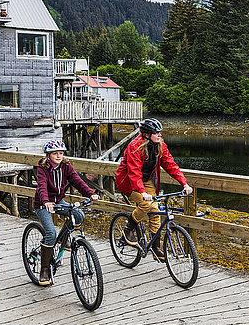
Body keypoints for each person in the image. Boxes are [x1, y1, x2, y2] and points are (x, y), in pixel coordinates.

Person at [115, 118, 192, 261]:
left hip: (146, 180)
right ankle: (128, 230)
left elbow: (170, 164)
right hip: (129, 182)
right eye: (156, 133)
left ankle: (156, 248)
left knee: (155, 210)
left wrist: (184, 183)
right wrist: (142, 192)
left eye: (160, 133)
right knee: (145, 204)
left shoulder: (159, 145)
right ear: (146, 135)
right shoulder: (135, 146)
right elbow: (134, 172)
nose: (159, 135)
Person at [34, 140, 99, 286]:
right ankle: (44, 270)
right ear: (49, 155)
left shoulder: (66, 166)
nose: (58, 156)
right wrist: (45, 201)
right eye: (55, 153)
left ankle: (63, 239)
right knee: (50, 233)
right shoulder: (43, 168)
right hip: (42, 204)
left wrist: (90, 194)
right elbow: (42, 186)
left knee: (78, 215)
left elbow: (77, 181)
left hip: (58, 201)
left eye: (61, 153)